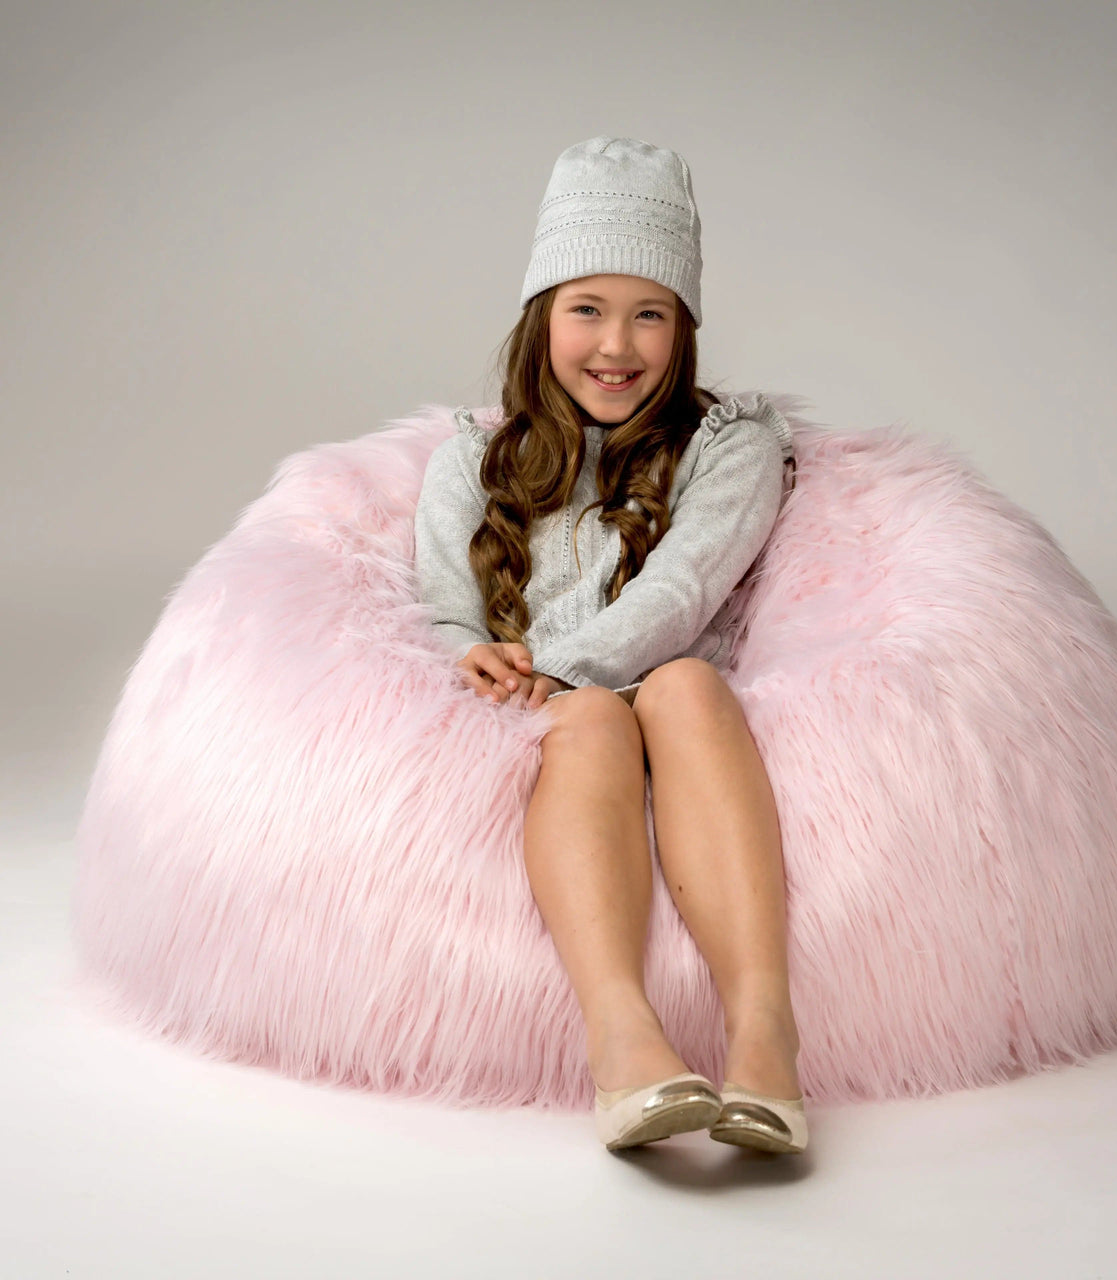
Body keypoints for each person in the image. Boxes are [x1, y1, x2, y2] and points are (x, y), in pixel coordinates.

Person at [414, 136, 807, 1155]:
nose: (616, 344)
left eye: (651, 313)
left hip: (678, 704)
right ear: (541, 315)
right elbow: (444, 607)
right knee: (587, 718)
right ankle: (622, 1037)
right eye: (585, 308)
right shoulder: (472, 457)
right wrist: (475, 655)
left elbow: (682, 589)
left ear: (683, 327)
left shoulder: (732, 445)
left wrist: (561, 662)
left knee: (675, 683)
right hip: (562, 722)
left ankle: (764, 1031)